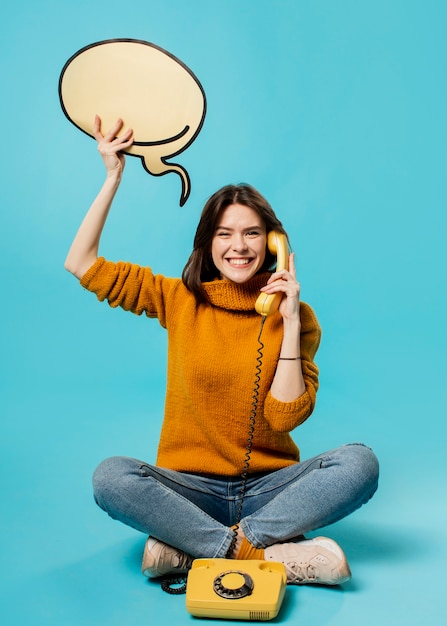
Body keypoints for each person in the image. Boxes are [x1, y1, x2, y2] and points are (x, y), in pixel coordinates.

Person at [65, 117, 379, 587]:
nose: (239, 246)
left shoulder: (299, 317)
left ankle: (194, 549)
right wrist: (113, 176)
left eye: (252, 233)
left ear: (274, 243)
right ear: (207, 242)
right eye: (225, 234)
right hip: (191, 489)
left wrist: (288, 323)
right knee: (111, 477)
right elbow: (82, 263)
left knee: (360, 463)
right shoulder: (177, 299)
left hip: (272, 493)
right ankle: (258, 553)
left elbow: (285, 417)